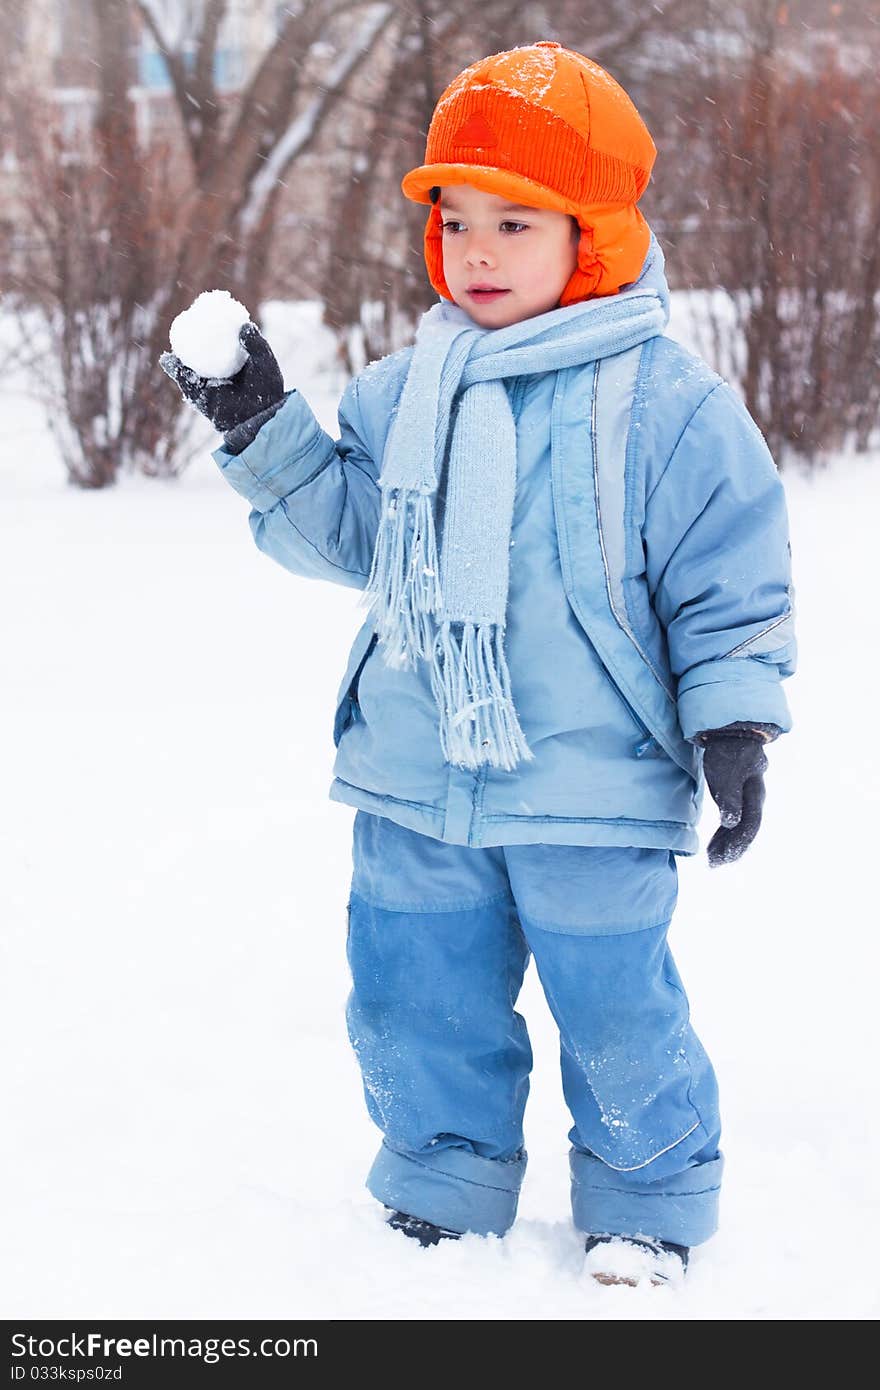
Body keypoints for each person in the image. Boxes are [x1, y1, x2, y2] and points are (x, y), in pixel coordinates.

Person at [160, 41, 796, 1289]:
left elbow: (729, 575)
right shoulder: (410, 393)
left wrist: (734, 723)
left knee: (617, 1005)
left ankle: (647, 1196)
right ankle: (442, 1180)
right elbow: (348, 536)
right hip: (418, 770)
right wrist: (258, 427)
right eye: (457, 222)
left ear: (595, 234)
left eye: (517, 221)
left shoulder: (667, 402)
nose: (480, 252)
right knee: (415, 994)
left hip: (593, 787)